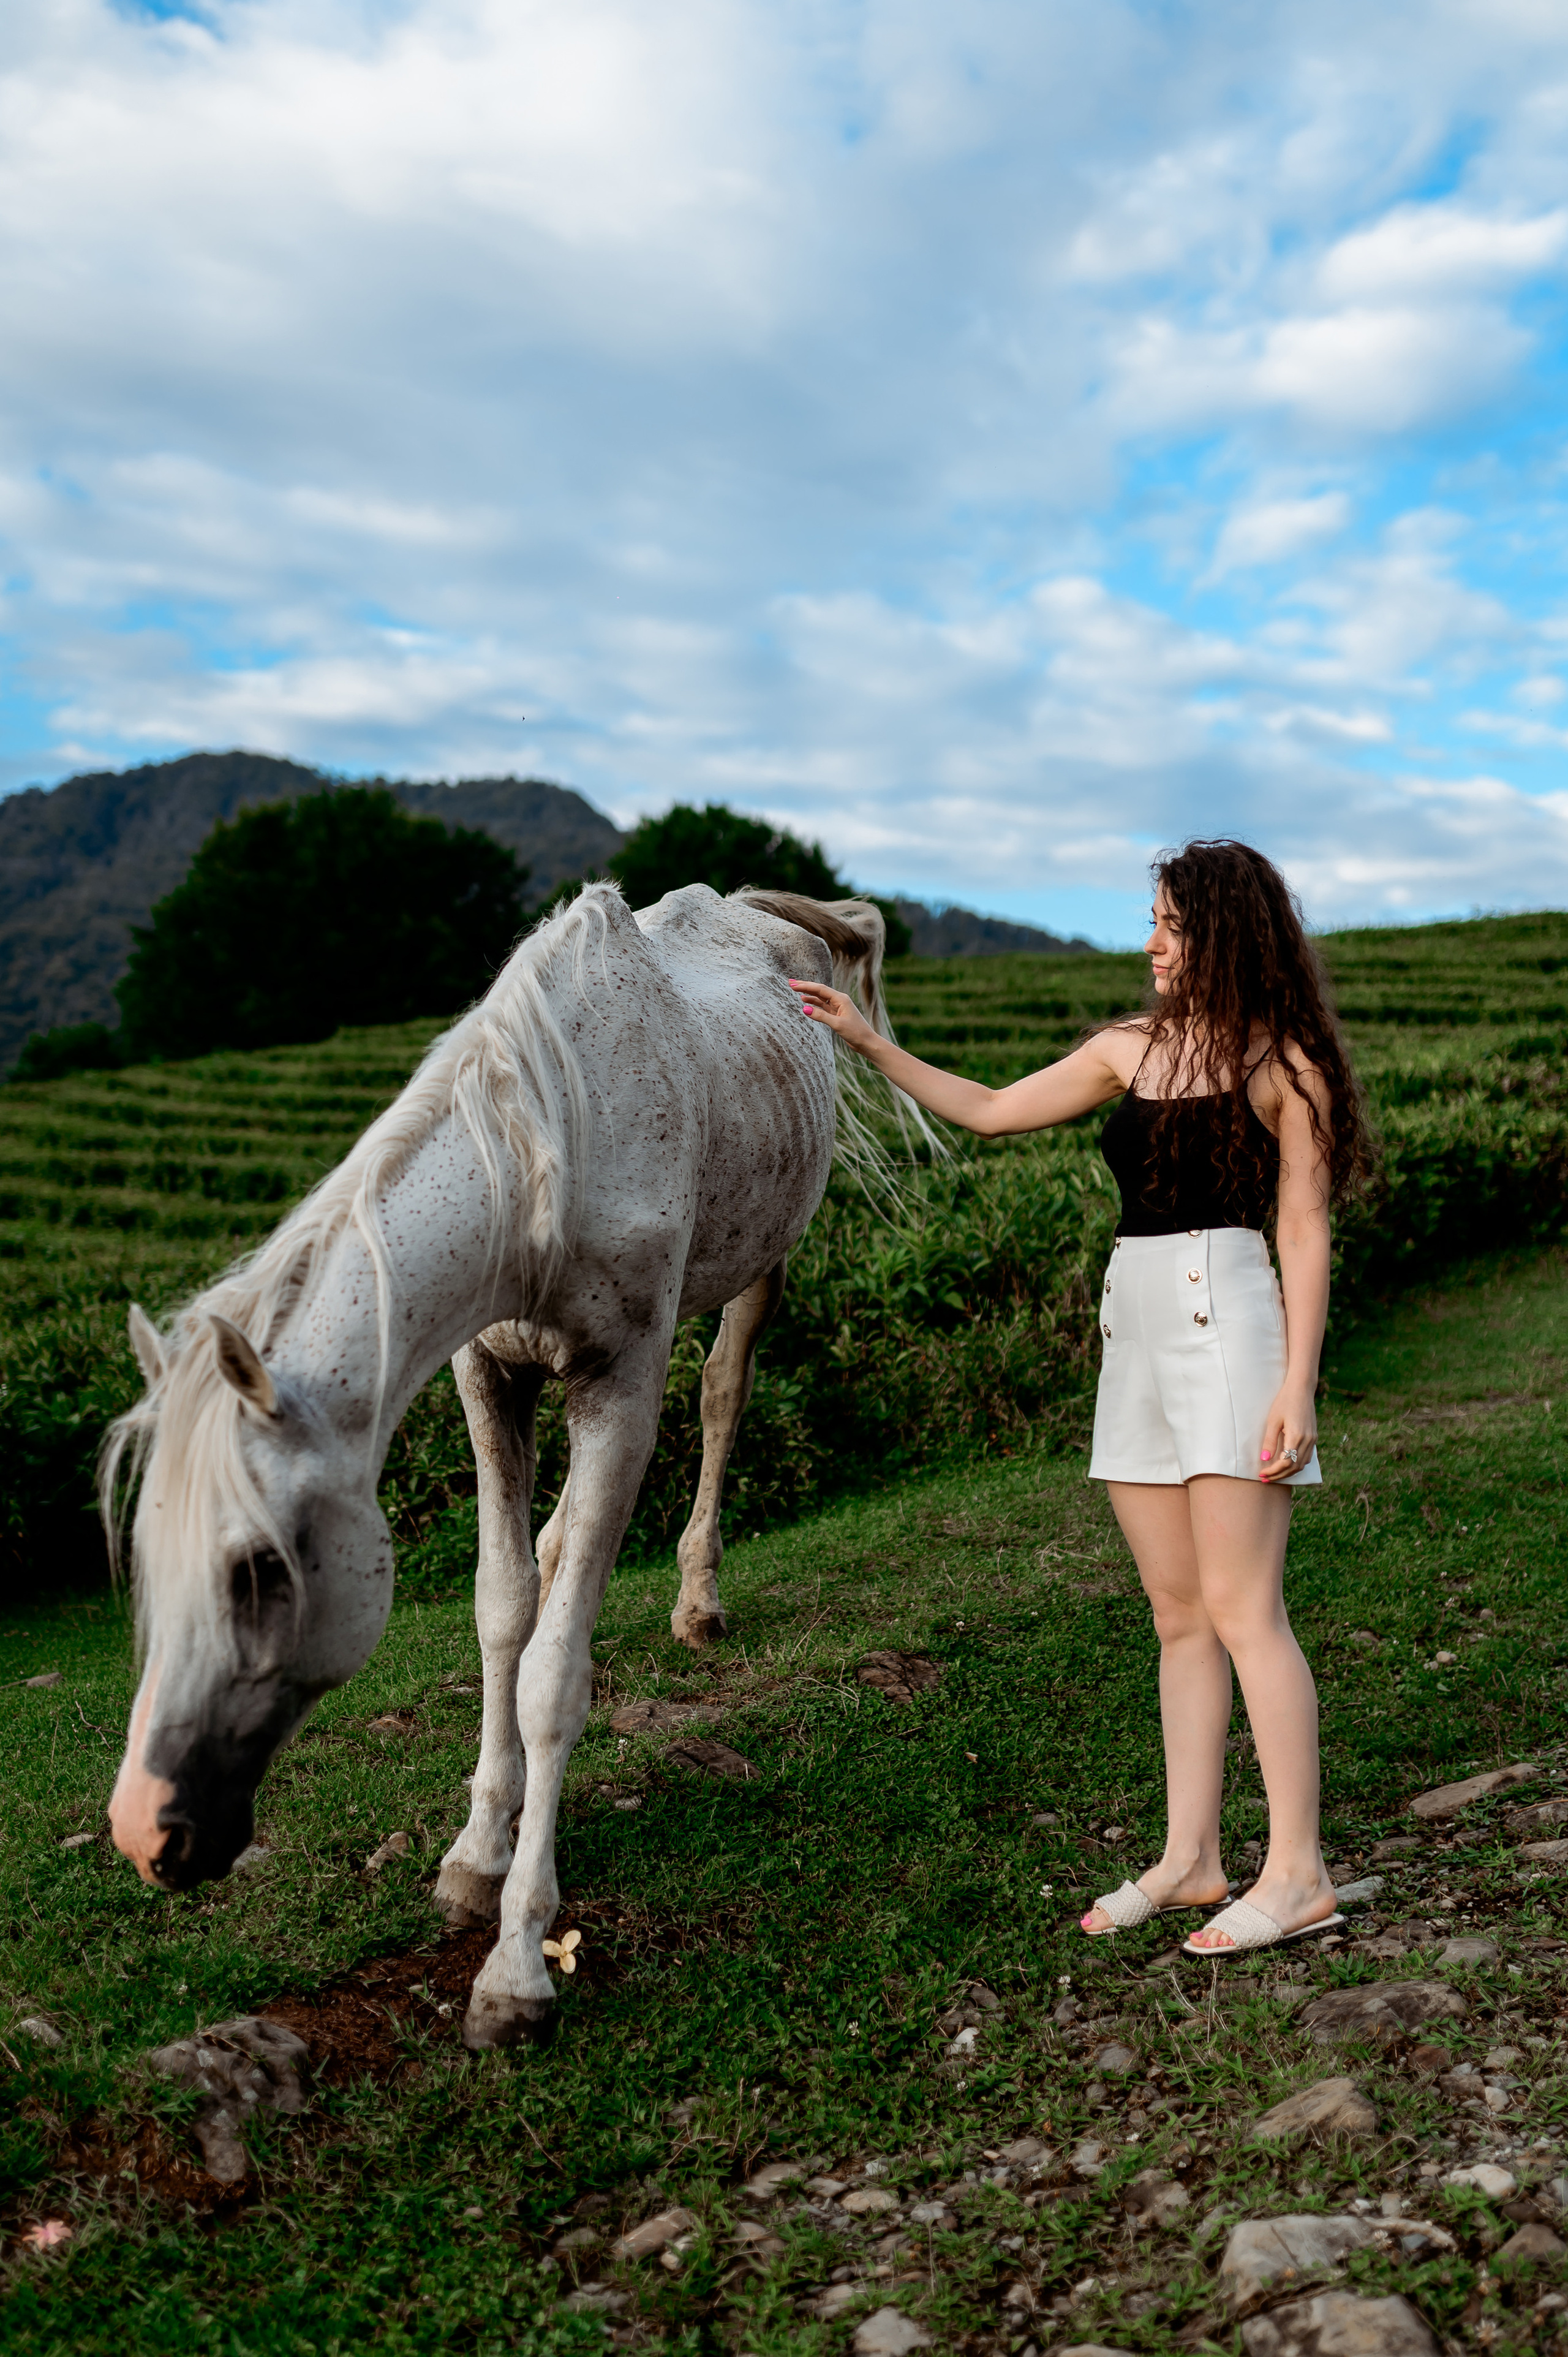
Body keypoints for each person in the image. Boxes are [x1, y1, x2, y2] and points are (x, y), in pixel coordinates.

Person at [788, 838, 1373, 1959]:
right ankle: (1192, 1857)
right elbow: (994, 1109)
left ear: (1224, 933)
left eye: (1170, 923)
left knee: (1248, 1609)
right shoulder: (1127, 1049)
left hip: (1233, 1324)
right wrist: (869, 1042)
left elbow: (1303, 1226)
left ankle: (1298, 1872)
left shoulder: (1282, 1064)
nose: (1149, 942)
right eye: (1149, 920)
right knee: (1178, 1613)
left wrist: (1297, 1381)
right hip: (1136, 1327)